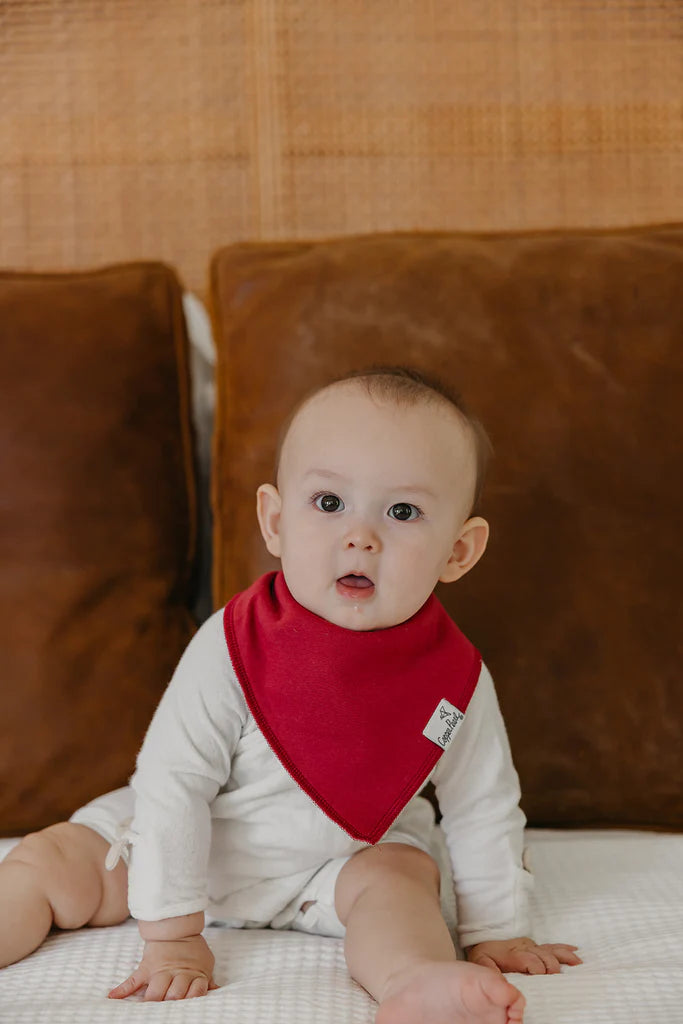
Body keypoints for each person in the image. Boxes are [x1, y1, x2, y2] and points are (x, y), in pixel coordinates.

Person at [0, 365, 581, 1023]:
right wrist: (173, 935)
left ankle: (412, 982)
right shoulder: (235, 642)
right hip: (194, 845)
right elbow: (175, 780)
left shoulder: (454, 678)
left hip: (337, 868)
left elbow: (481, 804)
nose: (360, 536)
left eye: (402, 511)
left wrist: (497, 928)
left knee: (399, 881)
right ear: (273, 521)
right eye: (329, 503)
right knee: (48, 862)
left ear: (458, 551)